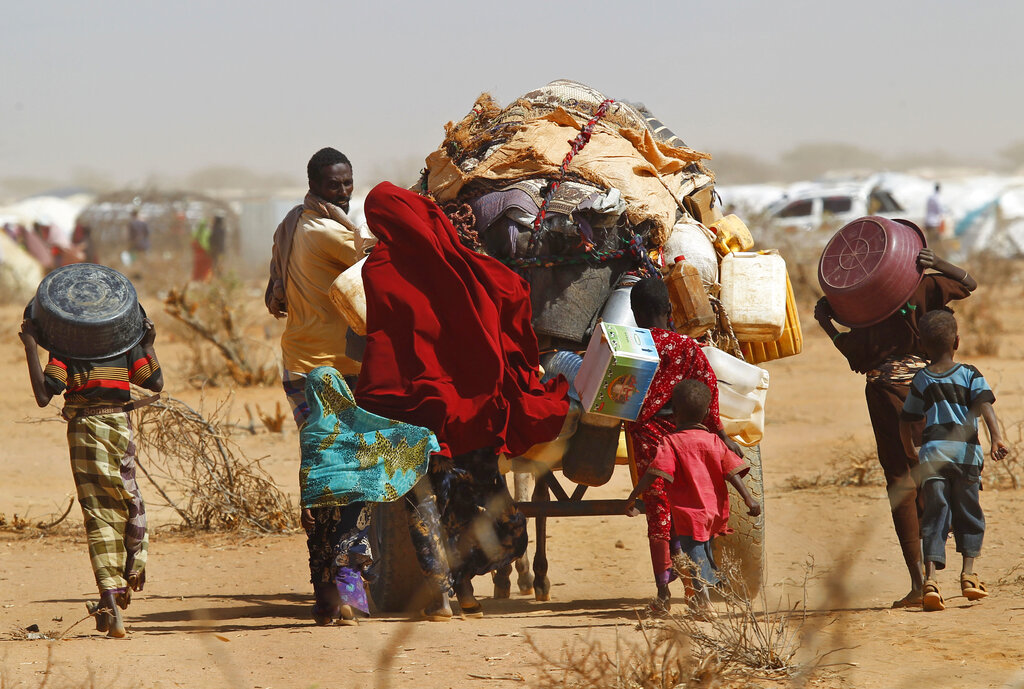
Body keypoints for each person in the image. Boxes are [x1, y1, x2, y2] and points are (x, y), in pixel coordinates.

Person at [354, 182, 569, 619]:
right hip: (473, 414)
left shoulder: (379, 267)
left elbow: (385, 340)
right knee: (479, 506)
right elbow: (510, 291)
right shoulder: (462, 260)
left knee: (425, 503)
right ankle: (462, 588)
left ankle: (446, 595)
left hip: (413, 411)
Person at [815, 245, 976, 608]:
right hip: (933, 389)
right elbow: (968, 283)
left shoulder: (862, 306)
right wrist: (938, 264)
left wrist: (825, 321)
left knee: (901, 481)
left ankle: (920, 583)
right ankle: (947, 562)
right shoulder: (924, 287)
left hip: (886, 396)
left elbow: (853, 354)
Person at [265, 147, 368, 624]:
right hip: (332, 370)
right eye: (334, 185)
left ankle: (326, 588)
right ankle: (346, 579)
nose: (344, 192)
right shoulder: (325, 231)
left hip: (299, 365)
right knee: (349, 471)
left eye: (348, 183)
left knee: (321, 472)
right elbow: (376, 261)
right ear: (315, 184)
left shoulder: (291, 223)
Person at [19, 313, 163, 638]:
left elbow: (44, 396)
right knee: (128, 501)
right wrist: (148, 344)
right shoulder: (124, 347)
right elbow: (154, 382)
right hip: (120, 429)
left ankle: (112, 605)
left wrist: (29, 345)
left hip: (86, 430)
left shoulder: (68, 351)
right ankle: (119, 586)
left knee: (100, 513)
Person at [626, 277, 744, 613]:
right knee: (689, 507)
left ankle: (663, 594)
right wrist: (720, 435)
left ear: (635, 314)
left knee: (659, 513)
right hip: (686, 436)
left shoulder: (630, 345)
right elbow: (709, 390)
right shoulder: (687, 347)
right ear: (669, 310)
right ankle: (697, 590)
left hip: (647, 436)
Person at [898, 310, 1008, 611]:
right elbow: (985, 406)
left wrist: (910, 450)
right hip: (967, 457)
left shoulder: (921, 378)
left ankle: (931, 581)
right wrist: (997, 437)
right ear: (957, 341)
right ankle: (968, 576)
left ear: (923, 345)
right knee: (968, 512)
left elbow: (906, 418)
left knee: (935, 514)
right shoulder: (970, 374)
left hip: (933, 457)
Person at [625, 380, 760, 615]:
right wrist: (749, 499)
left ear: (674, 413)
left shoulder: (671, 442)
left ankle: (705, 603)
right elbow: (732, 472)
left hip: (688, 513)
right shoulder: (714, 441)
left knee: (694, 554)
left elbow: (655, 472)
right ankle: (721, 585)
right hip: (713, 512)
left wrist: (634, 496)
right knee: (705, 551)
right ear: (707, 412)